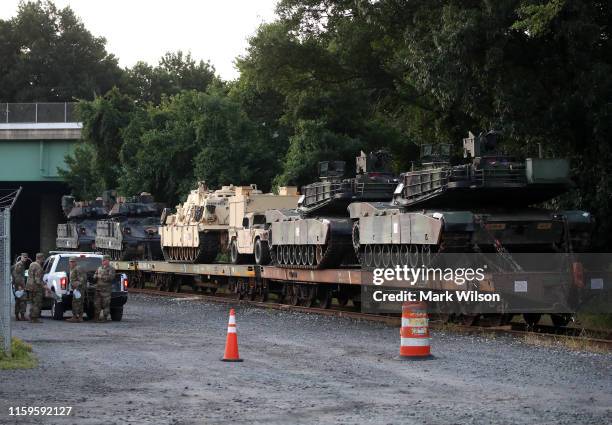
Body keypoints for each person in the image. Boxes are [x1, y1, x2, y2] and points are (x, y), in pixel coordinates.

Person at [93, 255, 115, 322]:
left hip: (106, 290)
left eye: (105, 260)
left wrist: (101, 277)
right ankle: (96, 318)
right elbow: (95, 275)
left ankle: (104, 318)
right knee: (97, 304)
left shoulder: (111, 269)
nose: (103, 261)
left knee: (105, 305)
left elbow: (111, 278)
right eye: (103, 260)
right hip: (98, 289)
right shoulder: (99, 268)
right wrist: (96, 276)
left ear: (108, 261)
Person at [26, 253, 46, 324]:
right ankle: (34, 318)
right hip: (36, 288)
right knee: (37, 303)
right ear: (41, 258)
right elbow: (38, 280)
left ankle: (31, 317)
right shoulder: (38, 267)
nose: (44, 260)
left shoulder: (32, 264)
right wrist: (44, 285)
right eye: (43, 258)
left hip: (29, 286)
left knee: (31, 302)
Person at [67, 257, 86, 323]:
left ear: (76, 262)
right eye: (70, 261)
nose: (71, 263)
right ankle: (78, 317)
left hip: (79, 289)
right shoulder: (72, 269)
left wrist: (77, 287)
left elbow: (82, 279)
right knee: (77, 302)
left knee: (77, 302)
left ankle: (76, 317)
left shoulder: (78, 268)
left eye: (73, 261)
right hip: (75, 289)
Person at [11, 252, 29, 321]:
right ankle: (22, 316)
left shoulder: (20, 264)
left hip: (17, 285)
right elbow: (17, 276)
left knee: (18, 301)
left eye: (26, 257)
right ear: (21, 257)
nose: (25, 259)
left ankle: (17, 316)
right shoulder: (20, 265)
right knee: (23, 300)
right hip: (19, 285)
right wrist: (20, 286)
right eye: (24, 257)